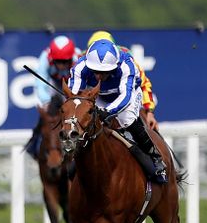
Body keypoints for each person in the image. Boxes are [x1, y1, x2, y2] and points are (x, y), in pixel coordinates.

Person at [69, 39, 167, 183]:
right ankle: (75, 157)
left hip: (127, 94)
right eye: (96, 71)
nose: (99, 76)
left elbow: (125, 97)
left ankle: (155, 157)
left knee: (126, 120)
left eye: (104, 72)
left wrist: (107, 112)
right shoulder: (80, 67)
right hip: (100, 95)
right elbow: (75, 96)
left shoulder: (127, 65)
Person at [87, 30, 158, 131]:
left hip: (126, 96)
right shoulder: (83, 61)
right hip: (101, 98)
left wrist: (149, 112)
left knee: (129, 120)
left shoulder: (127, 61)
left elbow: (144, 84)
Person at [27, 35, 81, 157]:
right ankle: (33, 145)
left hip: (71, 87)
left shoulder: (78, 58)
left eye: (65, 62)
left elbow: (81, 82)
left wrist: (73, 100)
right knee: (46, 115)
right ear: (52, 58)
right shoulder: (45, 58)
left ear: (70, 58)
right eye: (58, 61)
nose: (61, 65)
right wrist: (46, 101)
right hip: (52, 86)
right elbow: (40, 84)